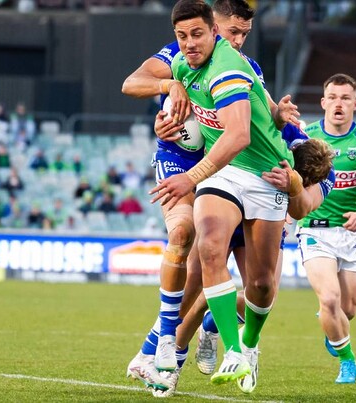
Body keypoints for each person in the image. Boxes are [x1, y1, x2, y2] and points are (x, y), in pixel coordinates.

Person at [121, 0, 300, 395]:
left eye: (245, 34)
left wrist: (281, 118)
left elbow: (257, 123)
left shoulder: (242, 67)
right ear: (213, 24)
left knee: (259, 286)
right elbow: (131, 84)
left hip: (232, 168)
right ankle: (165, 351)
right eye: (233, 32)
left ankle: (208, 332)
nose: (238, 40)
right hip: (187, 164)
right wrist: (169, 87)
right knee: (189, 239)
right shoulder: (179, 53)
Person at [295, 74, 356, 384]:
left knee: (347, 310)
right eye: (333, 97)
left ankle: (332, 327)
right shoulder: (304, 140)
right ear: (323, 102)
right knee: (330, 300)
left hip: (349, 233)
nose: (339, 103)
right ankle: (348, 362)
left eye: (345, 98)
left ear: (355, 104)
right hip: (314, 230)